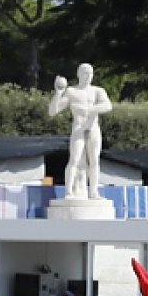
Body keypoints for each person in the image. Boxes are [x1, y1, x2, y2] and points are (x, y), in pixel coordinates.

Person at [48, 63, 112, 200]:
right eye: (85, 72)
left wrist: (90, 109)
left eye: (90, 73)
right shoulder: (72, 91)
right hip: (78, 128)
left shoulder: (98, 91)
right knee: (74, 159)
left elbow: (108, 106)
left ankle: (94, 191)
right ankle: (69, 191)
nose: (88, 76)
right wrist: (58, 94)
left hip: (93, 127)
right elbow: (53, 111)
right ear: (78, 74)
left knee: (94, 161)